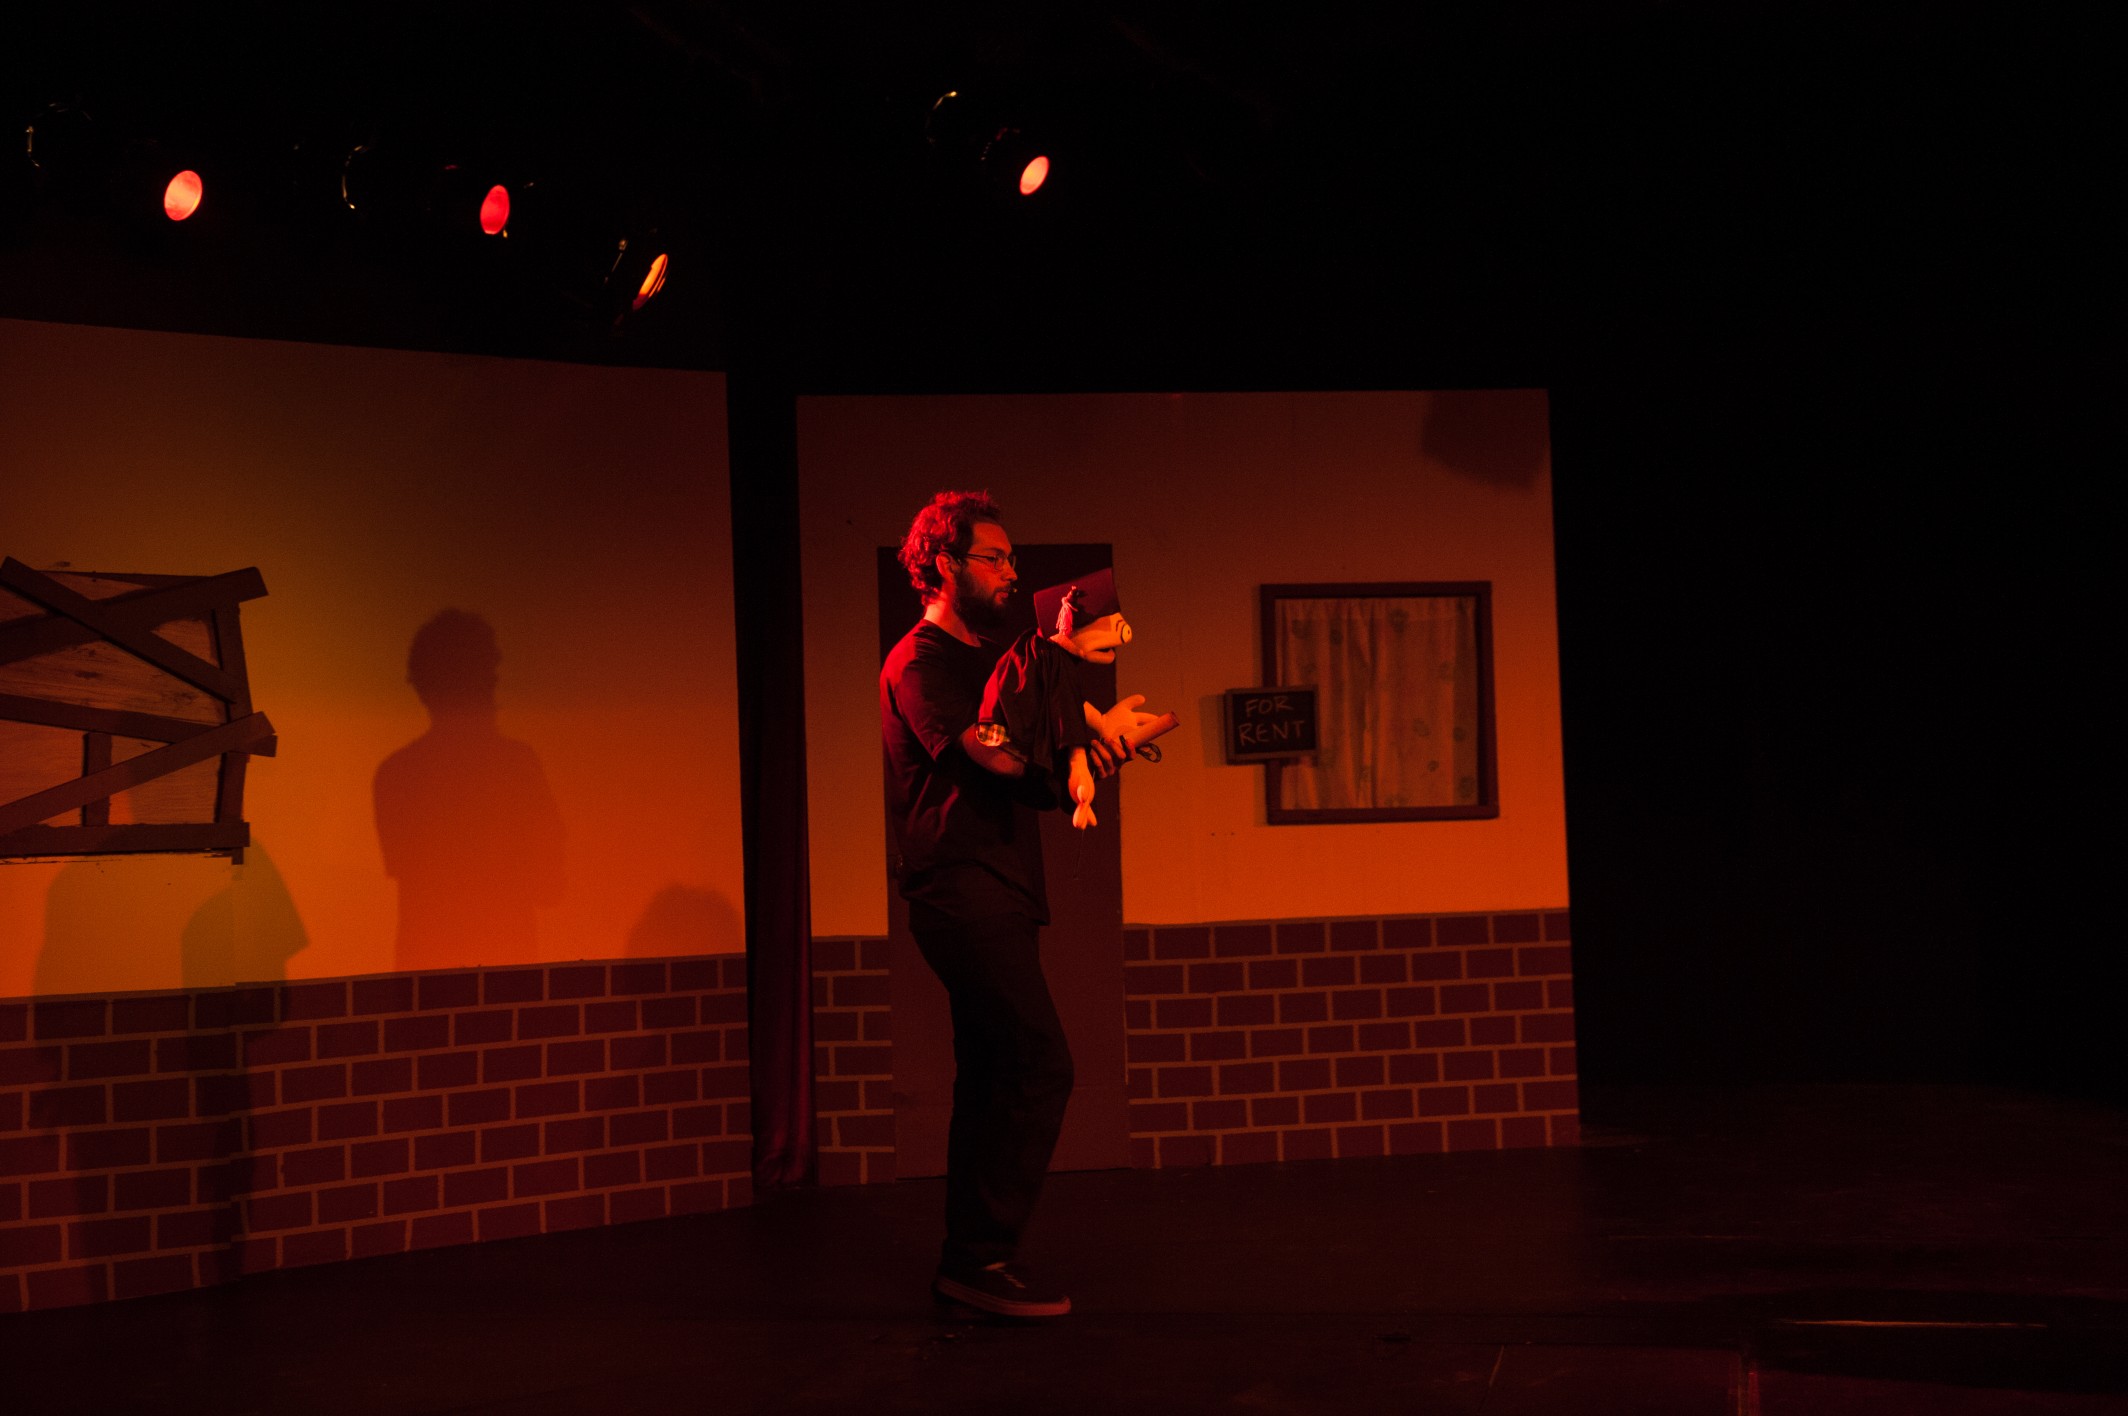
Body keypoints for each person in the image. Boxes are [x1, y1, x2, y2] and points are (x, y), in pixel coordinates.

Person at [880, 490, 1158, 1320]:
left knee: (994, 1073)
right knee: (1040, 1064)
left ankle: (970, 1262)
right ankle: (984, 1254)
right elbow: (990, 755)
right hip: (959, 888)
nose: (1010, 573)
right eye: (994, 558)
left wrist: (1090, 757)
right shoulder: (921, 661)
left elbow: (1033, 777)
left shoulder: (993, 659)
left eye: (1011, 559)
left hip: (1002, 886)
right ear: (945, 565)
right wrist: (1047, 738)